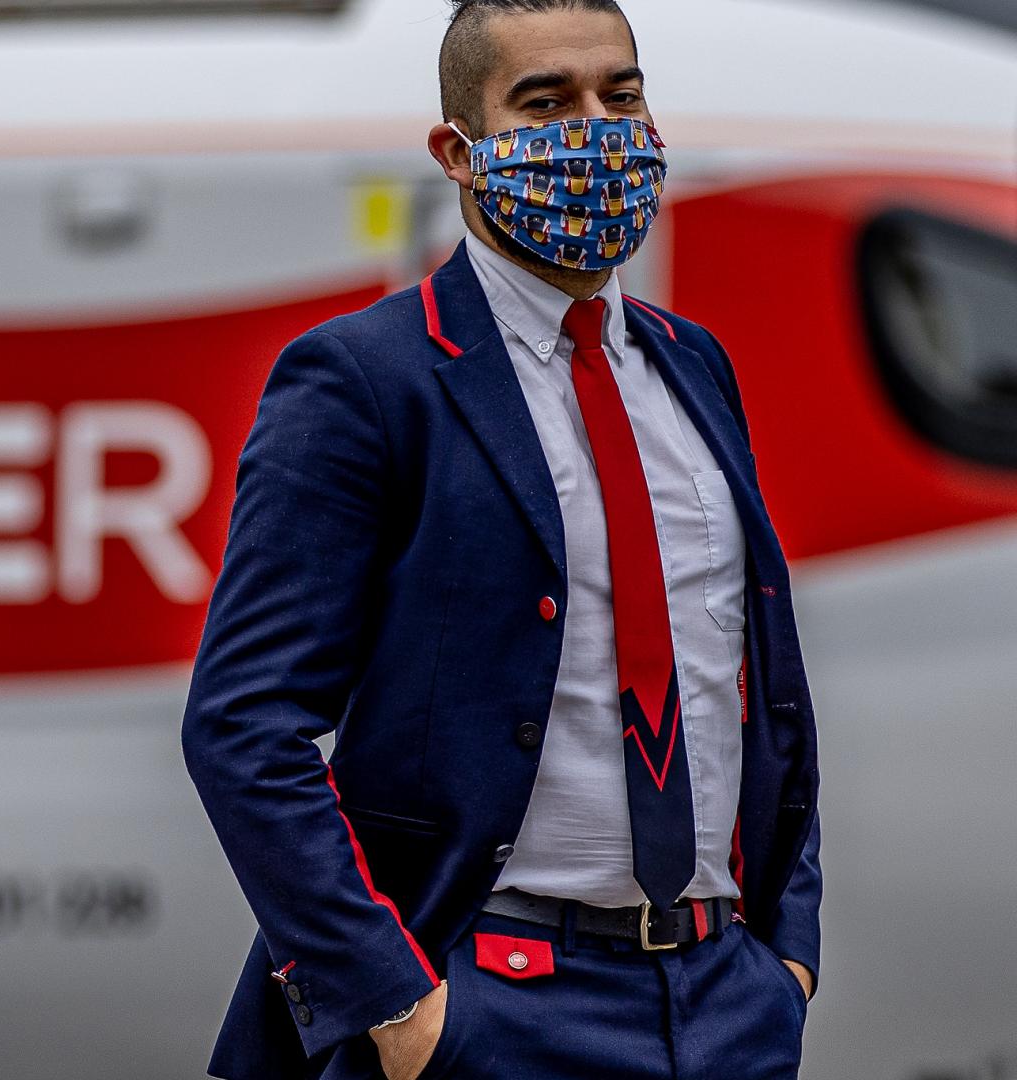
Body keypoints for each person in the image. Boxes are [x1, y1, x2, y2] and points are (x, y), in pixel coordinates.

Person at [179, 2, 821, 1077]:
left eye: (619, 96)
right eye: (545, 102)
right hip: (494, 1010)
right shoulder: (364, 382)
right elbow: (242, 727)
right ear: (457, 154)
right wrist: (399, 1007)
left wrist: (785, 957)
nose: (596, 130)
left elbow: (756, 685)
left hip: (723, 1005)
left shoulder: (689, 365)